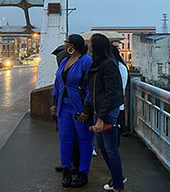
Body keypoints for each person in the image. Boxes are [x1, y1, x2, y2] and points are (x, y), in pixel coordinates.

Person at [50, 34, 94, 188]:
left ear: (73, 45)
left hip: (80, 107)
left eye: (66, 42)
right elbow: (57, 82)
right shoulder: (64, 61)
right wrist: (54, 103)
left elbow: (90, 87)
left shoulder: (86, 62)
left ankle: (83, 173)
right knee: (65, 140)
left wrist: (86, 109)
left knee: (84, 141)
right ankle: (67, 171)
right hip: (64, 106)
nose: (65, 43)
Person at [87, 34, 125, 192]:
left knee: (110, 148)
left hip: (107, 111)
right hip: (99, 109)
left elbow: (111, 93)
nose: (88, 45)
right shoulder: (98, 63)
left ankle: (118, 184)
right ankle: (117, 176)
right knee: (102, 145)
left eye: (90, 43)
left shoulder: (109, 64)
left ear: (96, 46)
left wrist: (102, 118)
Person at [110, 45, 129, 141]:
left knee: (114, 127)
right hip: (115, 101)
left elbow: (121, 85)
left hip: (116, 101)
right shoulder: (118, 66)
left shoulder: (120, 67)